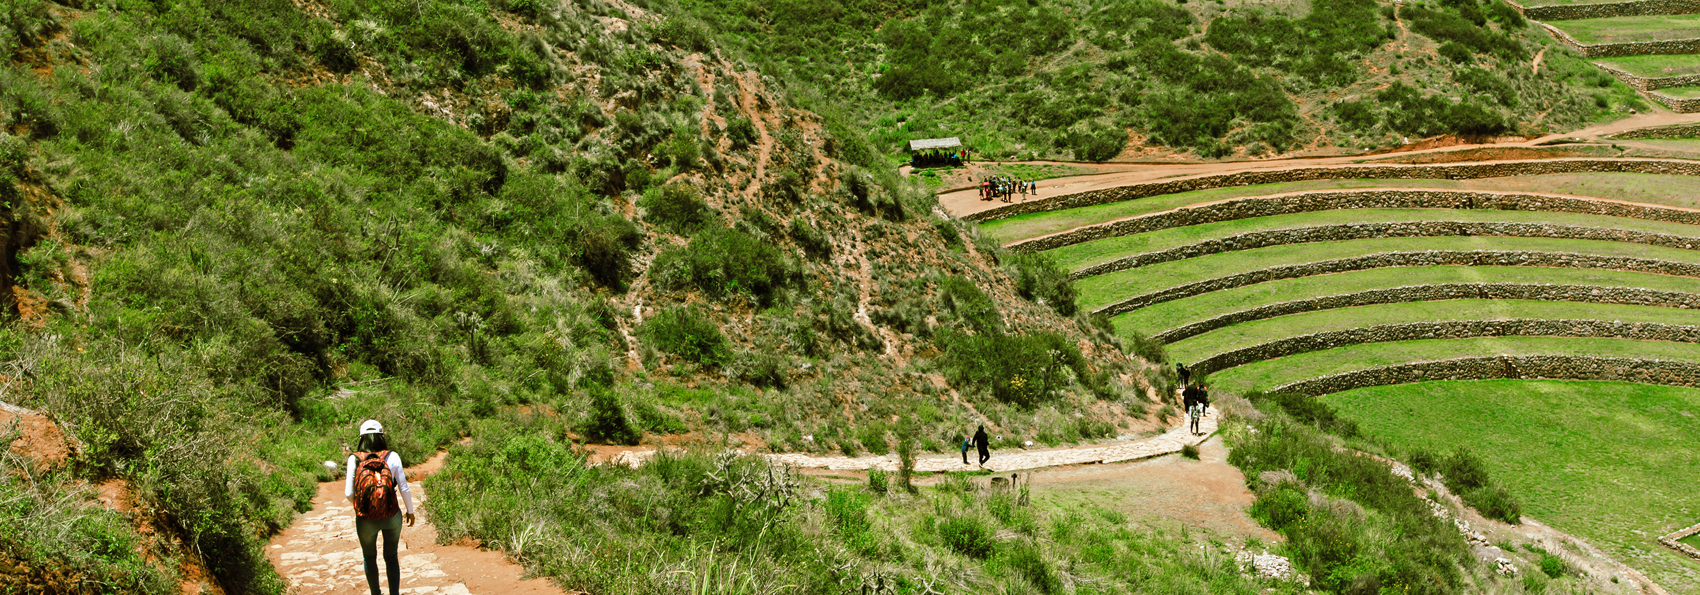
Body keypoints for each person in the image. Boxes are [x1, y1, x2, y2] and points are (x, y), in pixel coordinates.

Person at [346, 420, 416, 595]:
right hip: (392, 515)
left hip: (366, 519)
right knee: (391, 556)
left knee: (369, 558)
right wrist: (410, 511)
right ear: (381, 436)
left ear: (361, 438)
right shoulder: (392, 456)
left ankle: (376, 593)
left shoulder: (354, 459)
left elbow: (348, 493)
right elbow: (403, 486)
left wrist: (361, 506)